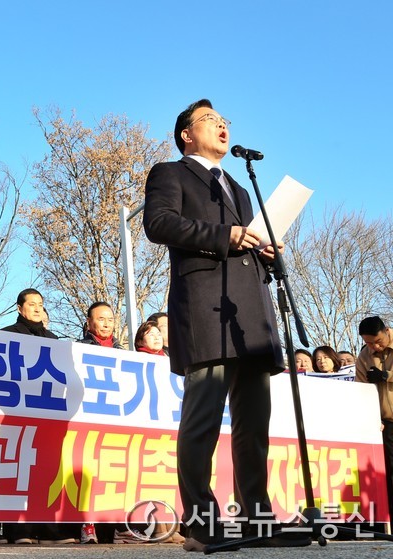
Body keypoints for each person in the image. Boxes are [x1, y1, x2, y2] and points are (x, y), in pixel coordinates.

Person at [143, 99, 304, 551]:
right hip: (204, 309)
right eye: (210, 120)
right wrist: (225, 236)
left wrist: (265, 253)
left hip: (250, 316)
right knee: (203, 421)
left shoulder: (238, 185)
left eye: (225, 121)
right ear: (186, 135)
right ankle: (200, 523)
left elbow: (244, 245)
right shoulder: (169, 173)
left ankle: (257, 520)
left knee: (254, 427)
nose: (222, 126)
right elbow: (158, 224)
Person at [354, 316, 393, 521]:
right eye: (368, 343)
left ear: (387, 331)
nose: (375, 346)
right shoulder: (364, 356)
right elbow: (360, 389)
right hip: (386, 425)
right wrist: (371, 416)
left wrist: (386, 376)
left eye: (378, 341)